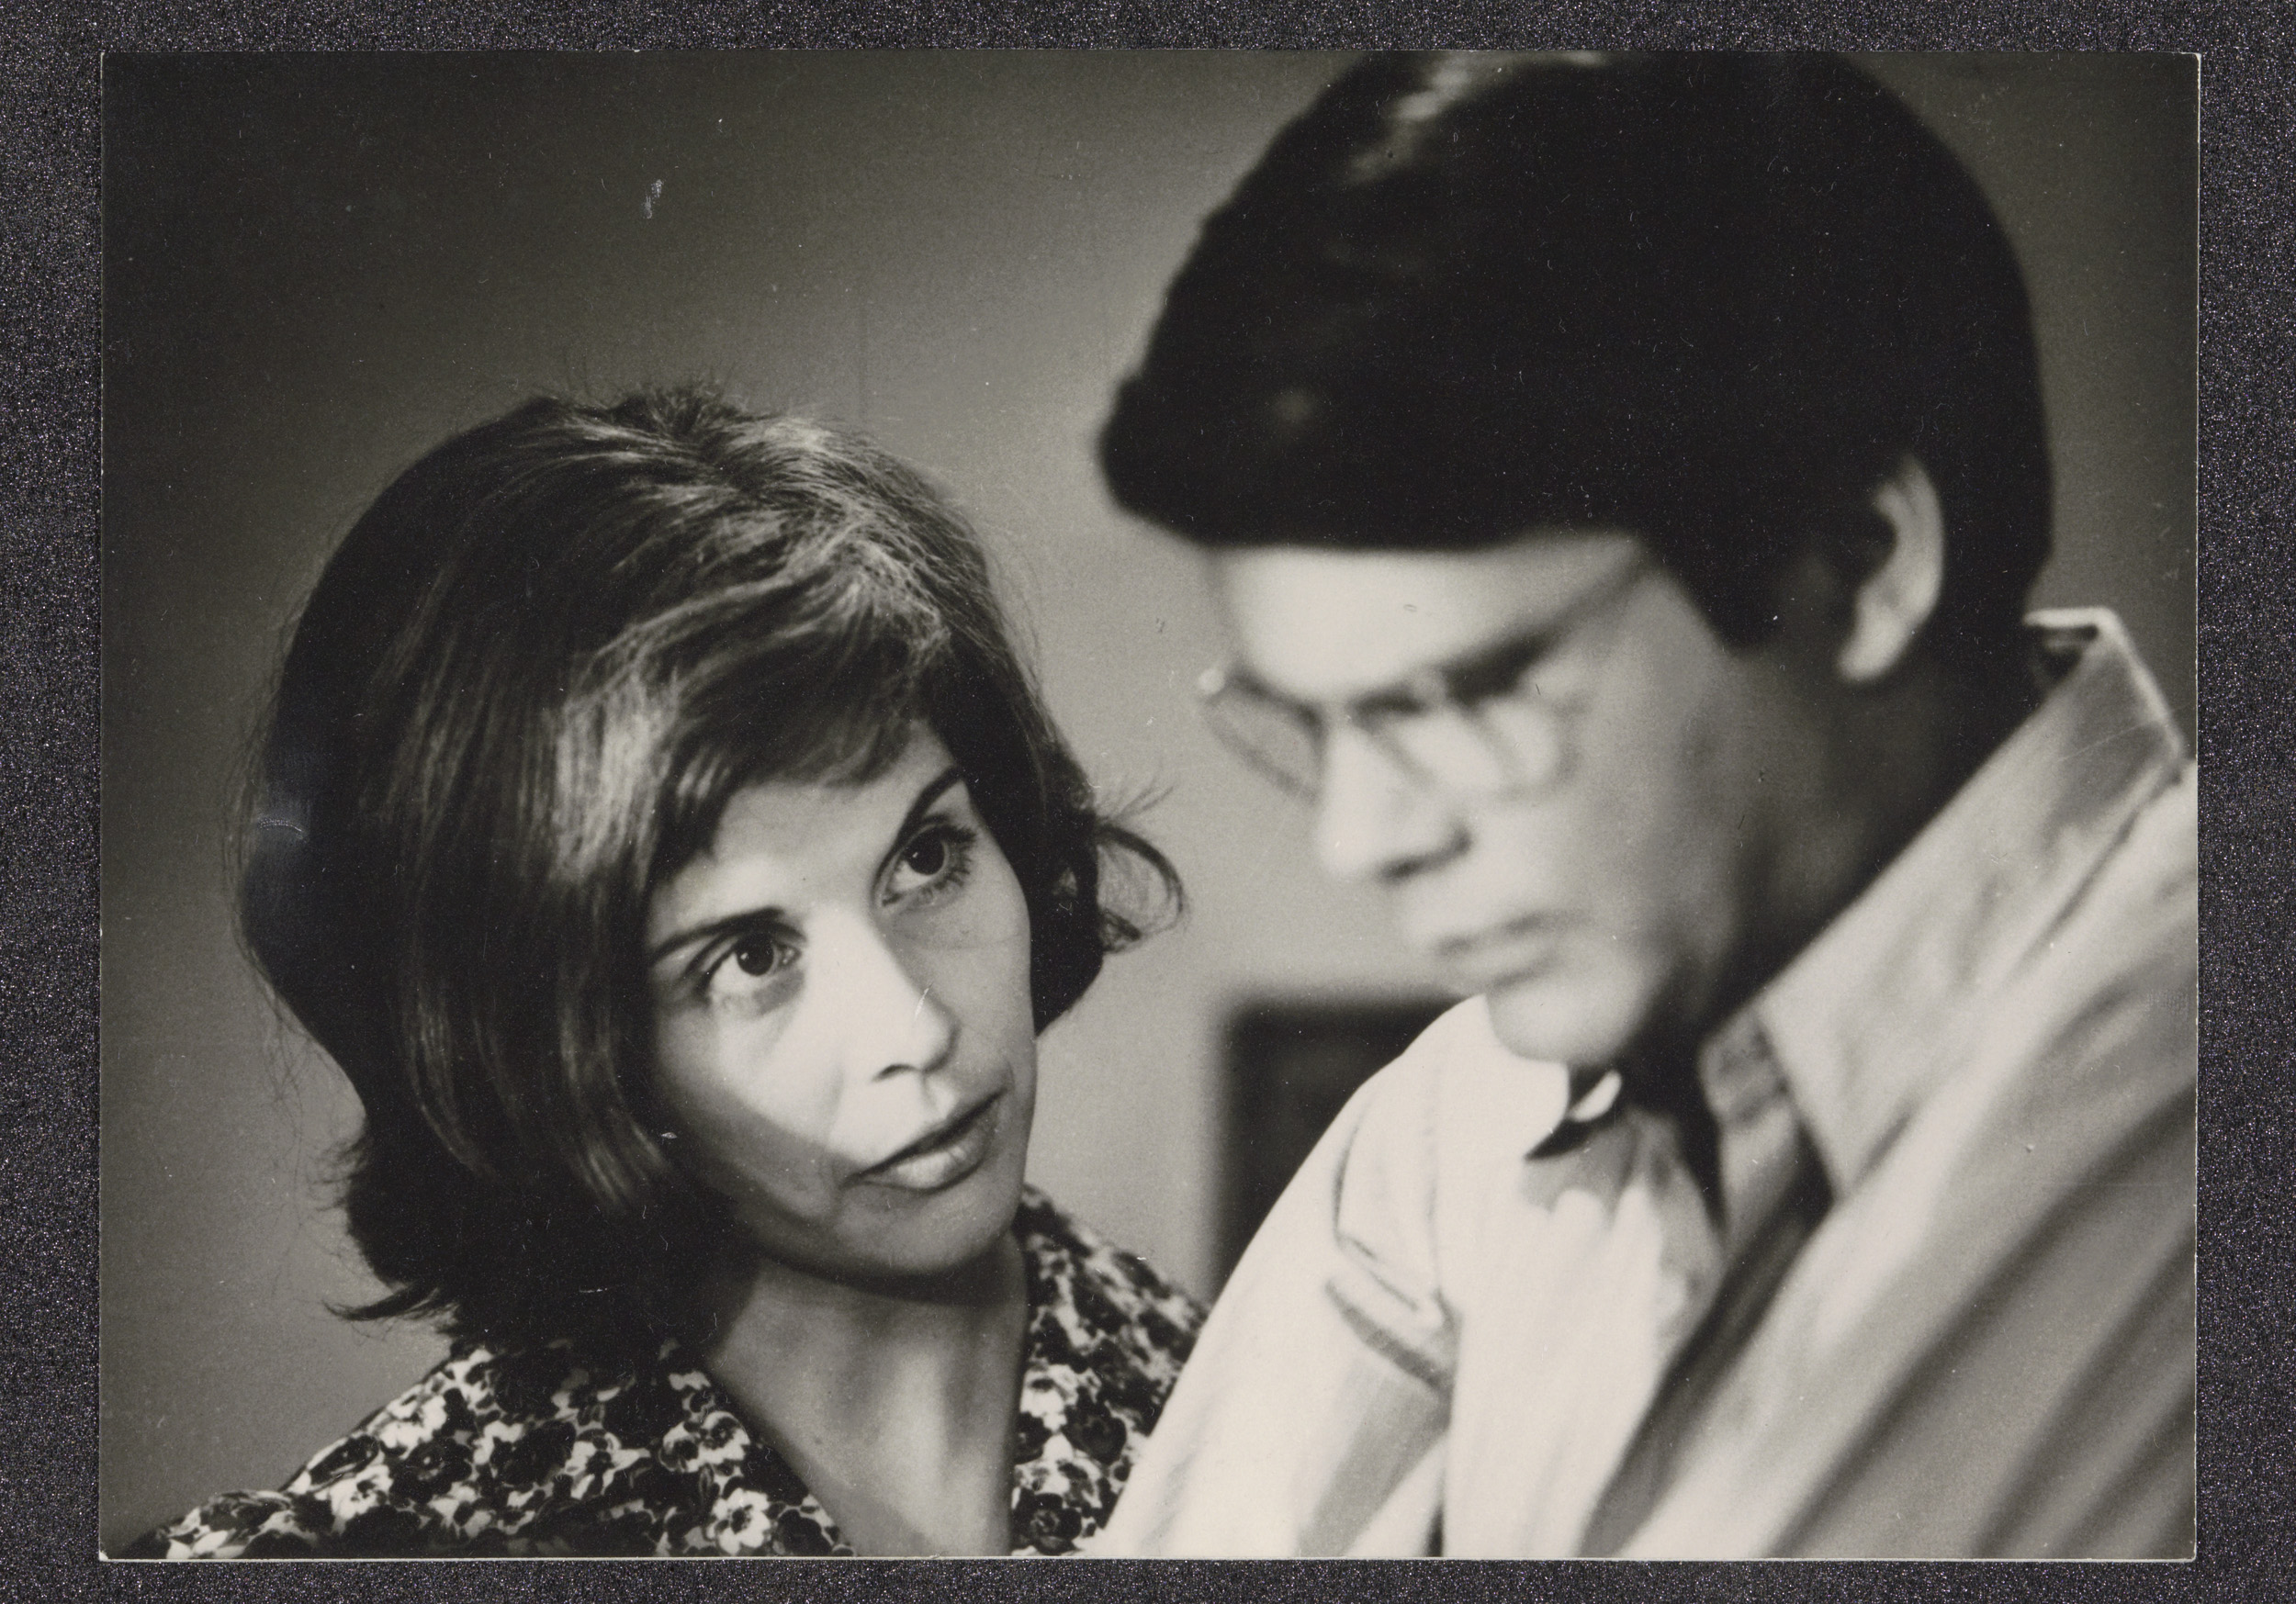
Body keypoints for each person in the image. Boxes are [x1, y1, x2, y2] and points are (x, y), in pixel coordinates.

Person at [1091, 52, 2193, 1558]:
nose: (1361, 840)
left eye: (1459, 695)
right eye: (1310, 724)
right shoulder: (1451, 1130)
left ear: (1861, 558)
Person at [127, 387, 1200, 1558]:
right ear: (563, 1041)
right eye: (751, 954)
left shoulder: (1258, 1394)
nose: (916, 1028)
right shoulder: (390, 1547)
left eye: (926, 858)